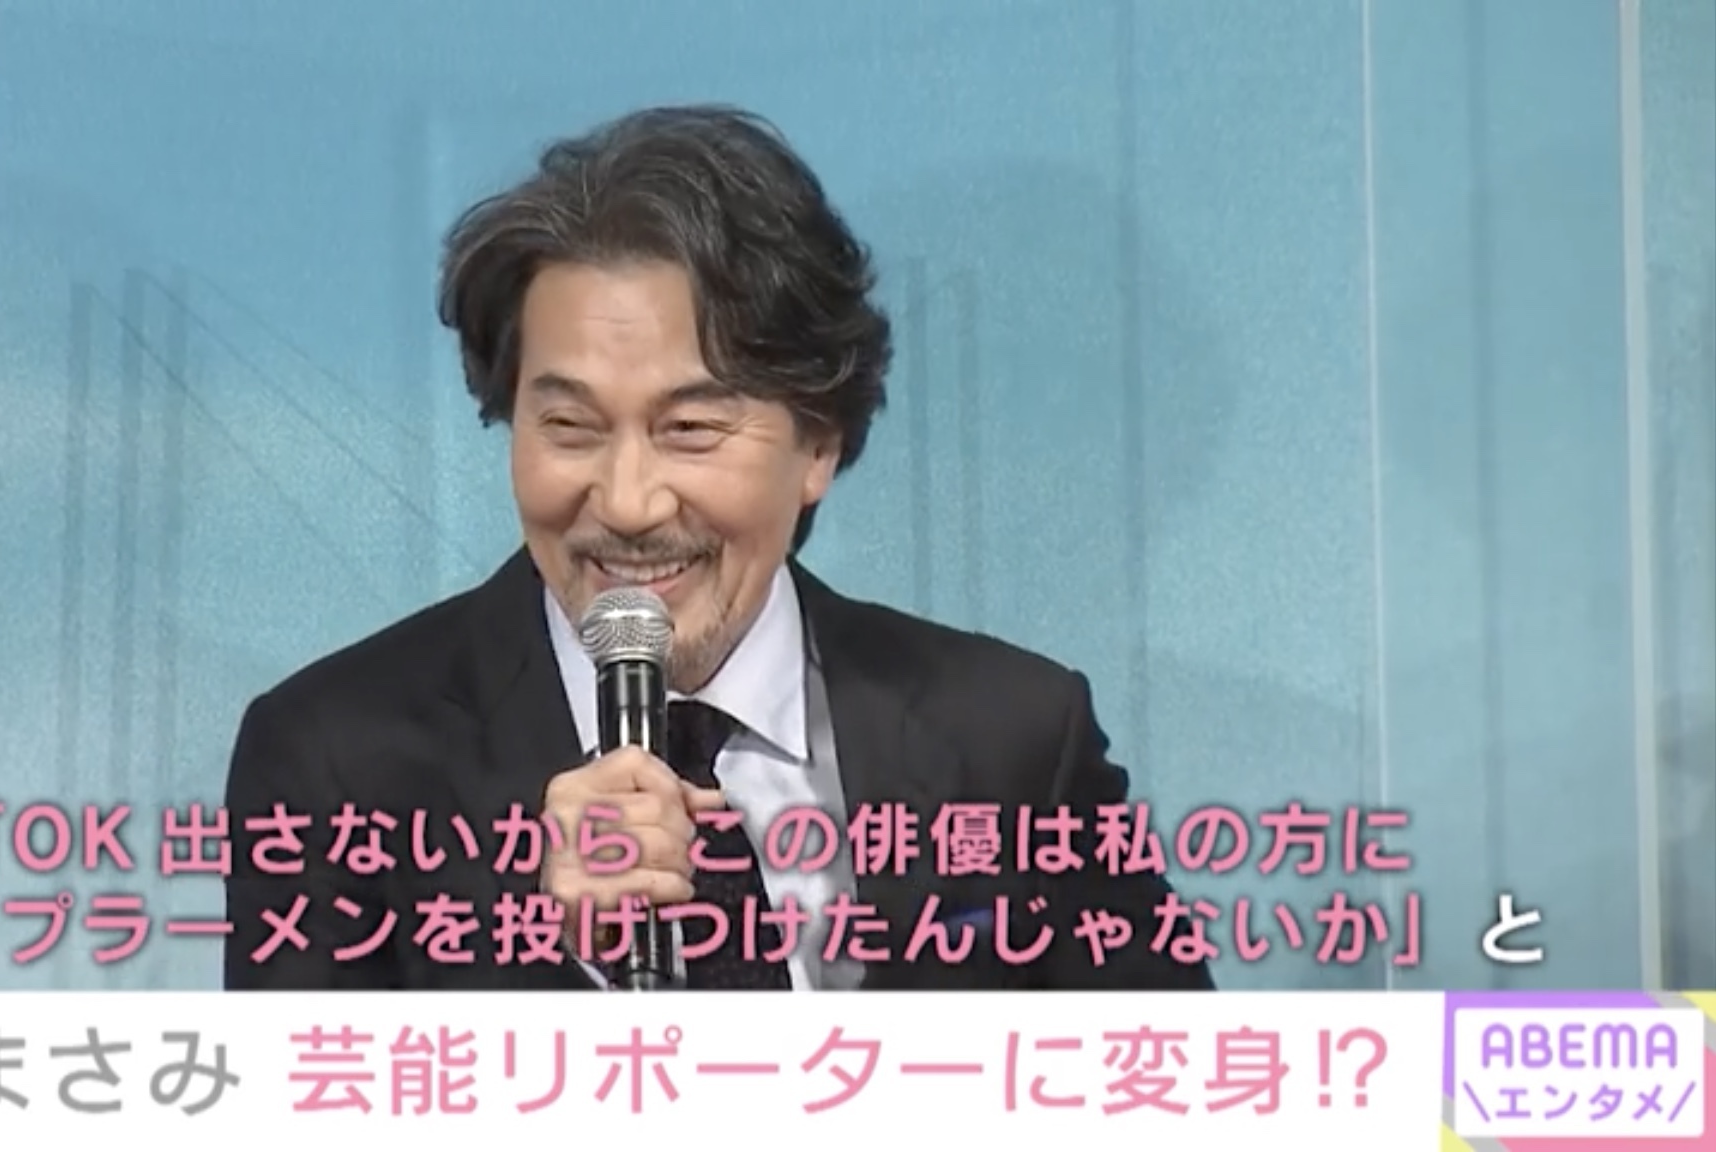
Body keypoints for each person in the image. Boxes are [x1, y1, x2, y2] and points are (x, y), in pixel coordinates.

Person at [223, 105, 1213, 993]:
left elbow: (1183, 1090)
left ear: (817, 444)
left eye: (690, 430)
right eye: (568, 427)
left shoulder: (1016, 737)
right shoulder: (332, 759)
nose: (627, 502)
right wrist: (554, 948)